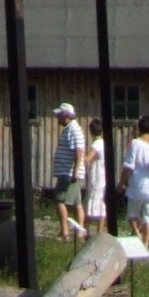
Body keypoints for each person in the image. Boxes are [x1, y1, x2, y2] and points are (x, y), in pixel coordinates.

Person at [120, 114, 149, 247]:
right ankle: (145, 244)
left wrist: (121, 182)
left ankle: (136, 234)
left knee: (133, 213)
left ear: (139, 128)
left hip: (137, 184)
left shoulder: (135, 144)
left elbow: (128, 167)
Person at [51, 101, 88, 239]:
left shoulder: (73, 129)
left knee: (59, 200)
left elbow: (78, 151)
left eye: (59, 115)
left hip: (69, 172)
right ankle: (80, 231)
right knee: (77, 203)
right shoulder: (70, 129)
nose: (57, 118)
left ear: (66, 115)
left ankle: (64, 230)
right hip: (68, 171)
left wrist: (74, 172)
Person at [83, 117, 108, 233]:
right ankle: (99, 230)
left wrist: (79, 154)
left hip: (96, 174)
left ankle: (86, 230)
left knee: (91, 201)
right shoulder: (103, 143)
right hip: (103, 174)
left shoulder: (97, 144)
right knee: (101, 203)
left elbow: (88, 159)